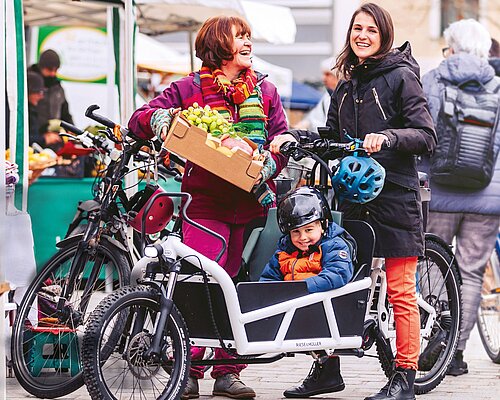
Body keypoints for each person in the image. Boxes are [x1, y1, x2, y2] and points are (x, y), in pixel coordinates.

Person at [271, 3, 436, 400]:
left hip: (395, 196)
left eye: (371, 30)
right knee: (336, 282)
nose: (362, 35)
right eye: (356, 28)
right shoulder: (346, 83)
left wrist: (390, 138)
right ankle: (328, 368)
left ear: (384, 36)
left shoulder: (400, 78)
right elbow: (330, 136)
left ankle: (405, 378)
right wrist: (297, 140)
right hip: (350, 197)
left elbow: (426, 135)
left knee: (399, 290)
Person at [128, 15, 289, 400]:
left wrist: (270, 160)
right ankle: (189, 370)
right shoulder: (189, 89)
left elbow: (282, 138)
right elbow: (138, 119)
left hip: (250, 208)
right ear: (219, 44)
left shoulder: (265, 92)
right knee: (199, 282)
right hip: (205, 205)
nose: (248, 42)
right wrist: (163, 119)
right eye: (240, 37)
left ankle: (227, 370)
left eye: (249, 36)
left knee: (232, 285)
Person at [421, 19, 500, 377]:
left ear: (451, 46)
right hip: (487, 196)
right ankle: (456, 353)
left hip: (439, 191)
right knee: (470, 272)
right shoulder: (497, 86)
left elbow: (419, 132)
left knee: (433, 265)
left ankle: (436, 337)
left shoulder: (432, 79)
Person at [260, 186, 354, 292]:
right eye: (295, 231)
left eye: (309, 230)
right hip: (287, 302)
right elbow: (268, 280)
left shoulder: (334, 246)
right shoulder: (284, 251)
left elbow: (337, 274)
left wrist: (301, 289)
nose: (302, 237)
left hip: (319, 301)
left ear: (323, 226)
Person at [28, 49, 72, 152]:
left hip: (54, 141)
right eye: (49, 69)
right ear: (41, 67)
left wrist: (71, 129)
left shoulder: (58, 87)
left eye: (56, 70)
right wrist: (41, 137)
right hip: (33, 141)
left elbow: (65, 112)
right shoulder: (29, 82)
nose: (53, 74)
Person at [295, 57, 339, 132]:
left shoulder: (346, 96)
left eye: (328, 74)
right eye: (324, 74)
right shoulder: (326, 97)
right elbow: (314, 118)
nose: (324, 78)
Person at [26, 71, 46, 146]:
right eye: (39, 92)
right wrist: (44, 139)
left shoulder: (32, 110)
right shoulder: (19, 112)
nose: (41, 96)